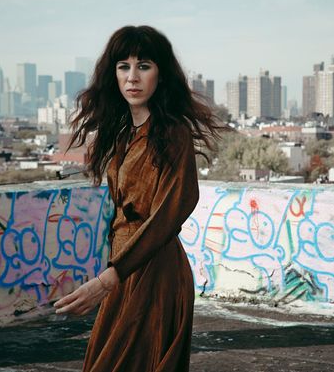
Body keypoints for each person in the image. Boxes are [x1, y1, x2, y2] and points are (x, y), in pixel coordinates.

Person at [54, 25, 224, 371]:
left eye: (144, 66)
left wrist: (106, 279)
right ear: (112, 74)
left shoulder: (172, 133)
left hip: (156, 270)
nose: (133, 77)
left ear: (160, 76)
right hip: (123, 269)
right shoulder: (121, 136)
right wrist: (113, 273)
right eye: (124, 66)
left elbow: (169, 213)